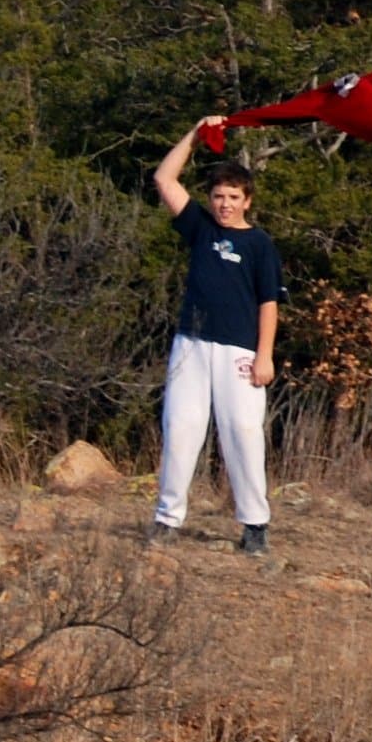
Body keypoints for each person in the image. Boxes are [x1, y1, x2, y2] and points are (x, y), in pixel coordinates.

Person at [148, 121, 282, 553]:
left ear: (248, 200)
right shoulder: (202, 230)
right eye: (218, 197)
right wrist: (193, 134)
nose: (225, 205)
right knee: (182, 427)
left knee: (242, 431)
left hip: (240, 351)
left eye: (233, 198)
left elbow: (269, 303)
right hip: (191, 345)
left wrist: (265, 357)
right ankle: (167, 520)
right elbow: (164, 179)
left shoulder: (260, 244)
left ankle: (254, 526)